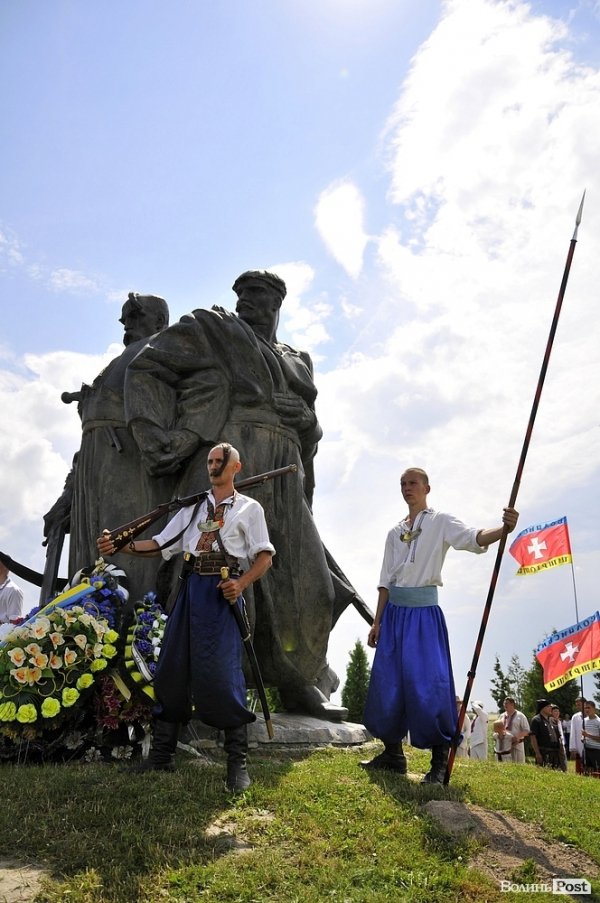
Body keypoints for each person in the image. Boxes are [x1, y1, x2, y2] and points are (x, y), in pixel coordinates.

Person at [124, 270, 358, 719]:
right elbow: (148, 366)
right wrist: (163, 437)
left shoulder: (298, 359)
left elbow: (313, 429)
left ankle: (297, 682)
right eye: (242, 294)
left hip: (286, 469)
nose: (247, 301)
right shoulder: (213, 329)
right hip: (236, 456)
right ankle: (205, 685)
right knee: (219, 576)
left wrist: (308, 423)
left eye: (258, 295)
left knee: (311, 584)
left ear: (278, 303)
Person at [97, 442, 275, 792]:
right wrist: (123, 544)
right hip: (190, 591)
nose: (213, 466)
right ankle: (162, 756)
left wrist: (240, 584)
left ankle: (236, 762)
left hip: (222, 594)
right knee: (171, 668)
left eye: (219, 461)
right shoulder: (193, 508)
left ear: (235, 467)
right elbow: (162, 545)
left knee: (223, 675)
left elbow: (264, 557)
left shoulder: (249, 509)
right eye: (209, 461)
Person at [360, 466, 518, 783]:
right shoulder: (394, 532)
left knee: (429, 686)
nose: (408, 487)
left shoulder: (440, 521)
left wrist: (503, 529)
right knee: (388, 684)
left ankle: (437, 763)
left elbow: (473, 538)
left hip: (423, 616)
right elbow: (385, 581)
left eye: (413, 483)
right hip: (393, 615)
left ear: (427, 488)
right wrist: (377, 621)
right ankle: (393, 754)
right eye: (403, 483)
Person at [45, 293, 172, 604]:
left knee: (126, 555)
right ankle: (80, 630)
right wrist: (69, 492)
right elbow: (85, 444)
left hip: (130, 466)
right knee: (87, 561)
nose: (126, 323)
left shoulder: (163, 349)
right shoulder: (117, 361)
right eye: (124, 317)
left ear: (159, 321)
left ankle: (139, 626)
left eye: (135, 315)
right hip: (92, 473)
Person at [529, 699, 561, 768]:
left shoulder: (551, 720)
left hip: (554, 753)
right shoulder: (536, 720)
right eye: (549, 706)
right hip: (543, 752)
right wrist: (537, 753)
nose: (551, 708)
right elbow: (533, 737)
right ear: (543, 708)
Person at [502, 697, 529, 764]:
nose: (505, 705)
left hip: (517, 744)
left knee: (519, 765)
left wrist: (516, 737)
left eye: (506, 703)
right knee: (506, 765)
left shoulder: (520, 715)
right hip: (505, 746)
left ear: (512, 704)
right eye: (504, 703)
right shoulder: (502, 716)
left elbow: (527, 731)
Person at [581, 700, 600, 775]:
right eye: (585, 708)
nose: (586, 710)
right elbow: (583, 734)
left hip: (596, 751)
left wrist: (588, 735)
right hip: (586, 749)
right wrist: (582, 738)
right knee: (586, 771)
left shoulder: (598, 721)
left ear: (594, 709)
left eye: (589, 708)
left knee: (597, 772)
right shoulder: (584, 720)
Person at [569, 697, 585, 774]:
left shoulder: (593, 716)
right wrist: (573, 748)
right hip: (579, 745)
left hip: (591, 745)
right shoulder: (575, 717)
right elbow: (572, 733)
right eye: (577, 705)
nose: (578, 706)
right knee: (580, 769)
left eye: (579, 704)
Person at [551, 704, 568, 772]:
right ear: (551, 712)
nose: (557, 713)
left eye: (558, 711)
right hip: (556, 744)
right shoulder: (550, 721)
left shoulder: (560, 721)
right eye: (555, 711)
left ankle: (564, 771)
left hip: (562, 743)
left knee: (564, 760)